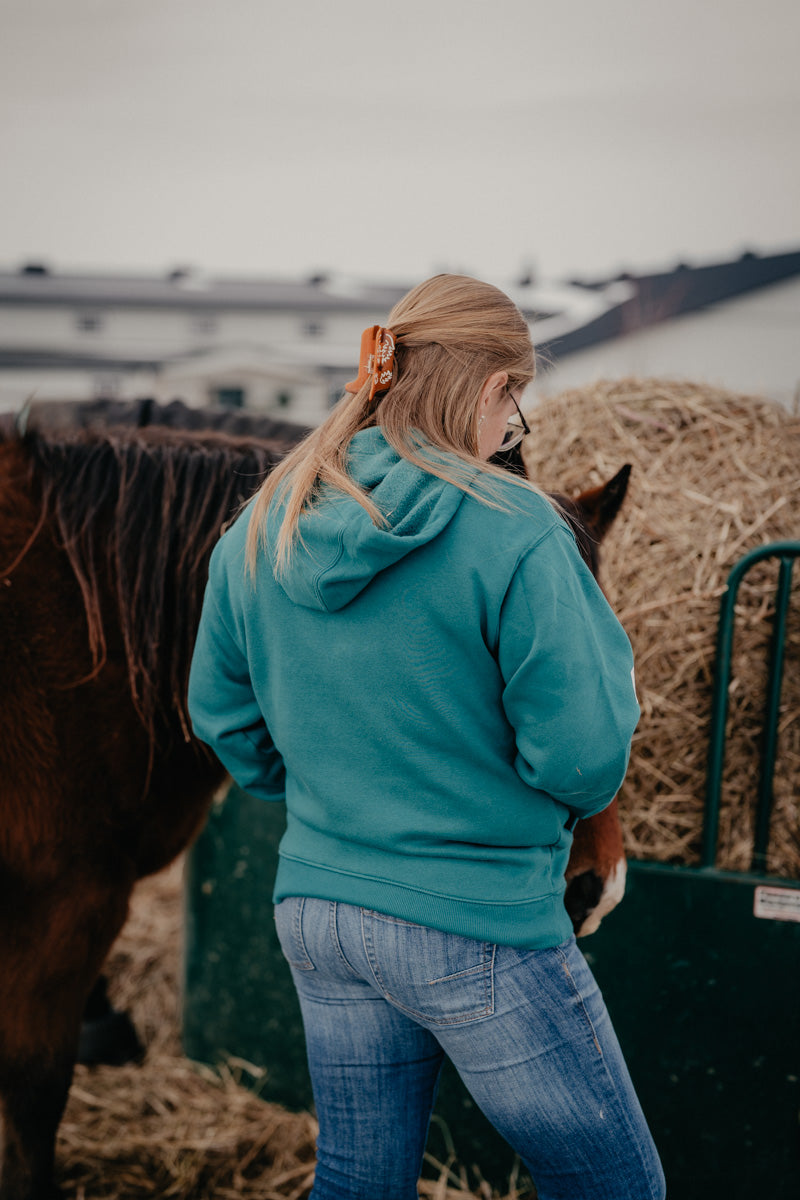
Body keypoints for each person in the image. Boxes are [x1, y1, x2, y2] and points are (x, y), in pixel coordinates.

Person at [188, 274, 665, 1200]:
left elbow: (225, 719)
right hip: (476, 920)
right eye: (514, 403)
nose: (510, 429)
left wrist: (340, 803)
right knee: (618, 1188)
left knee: (358, 1184)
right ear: (491, 391)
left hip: (320, 914)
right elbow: (582, 758)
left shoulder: (263, 523)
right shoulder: (521, 530)